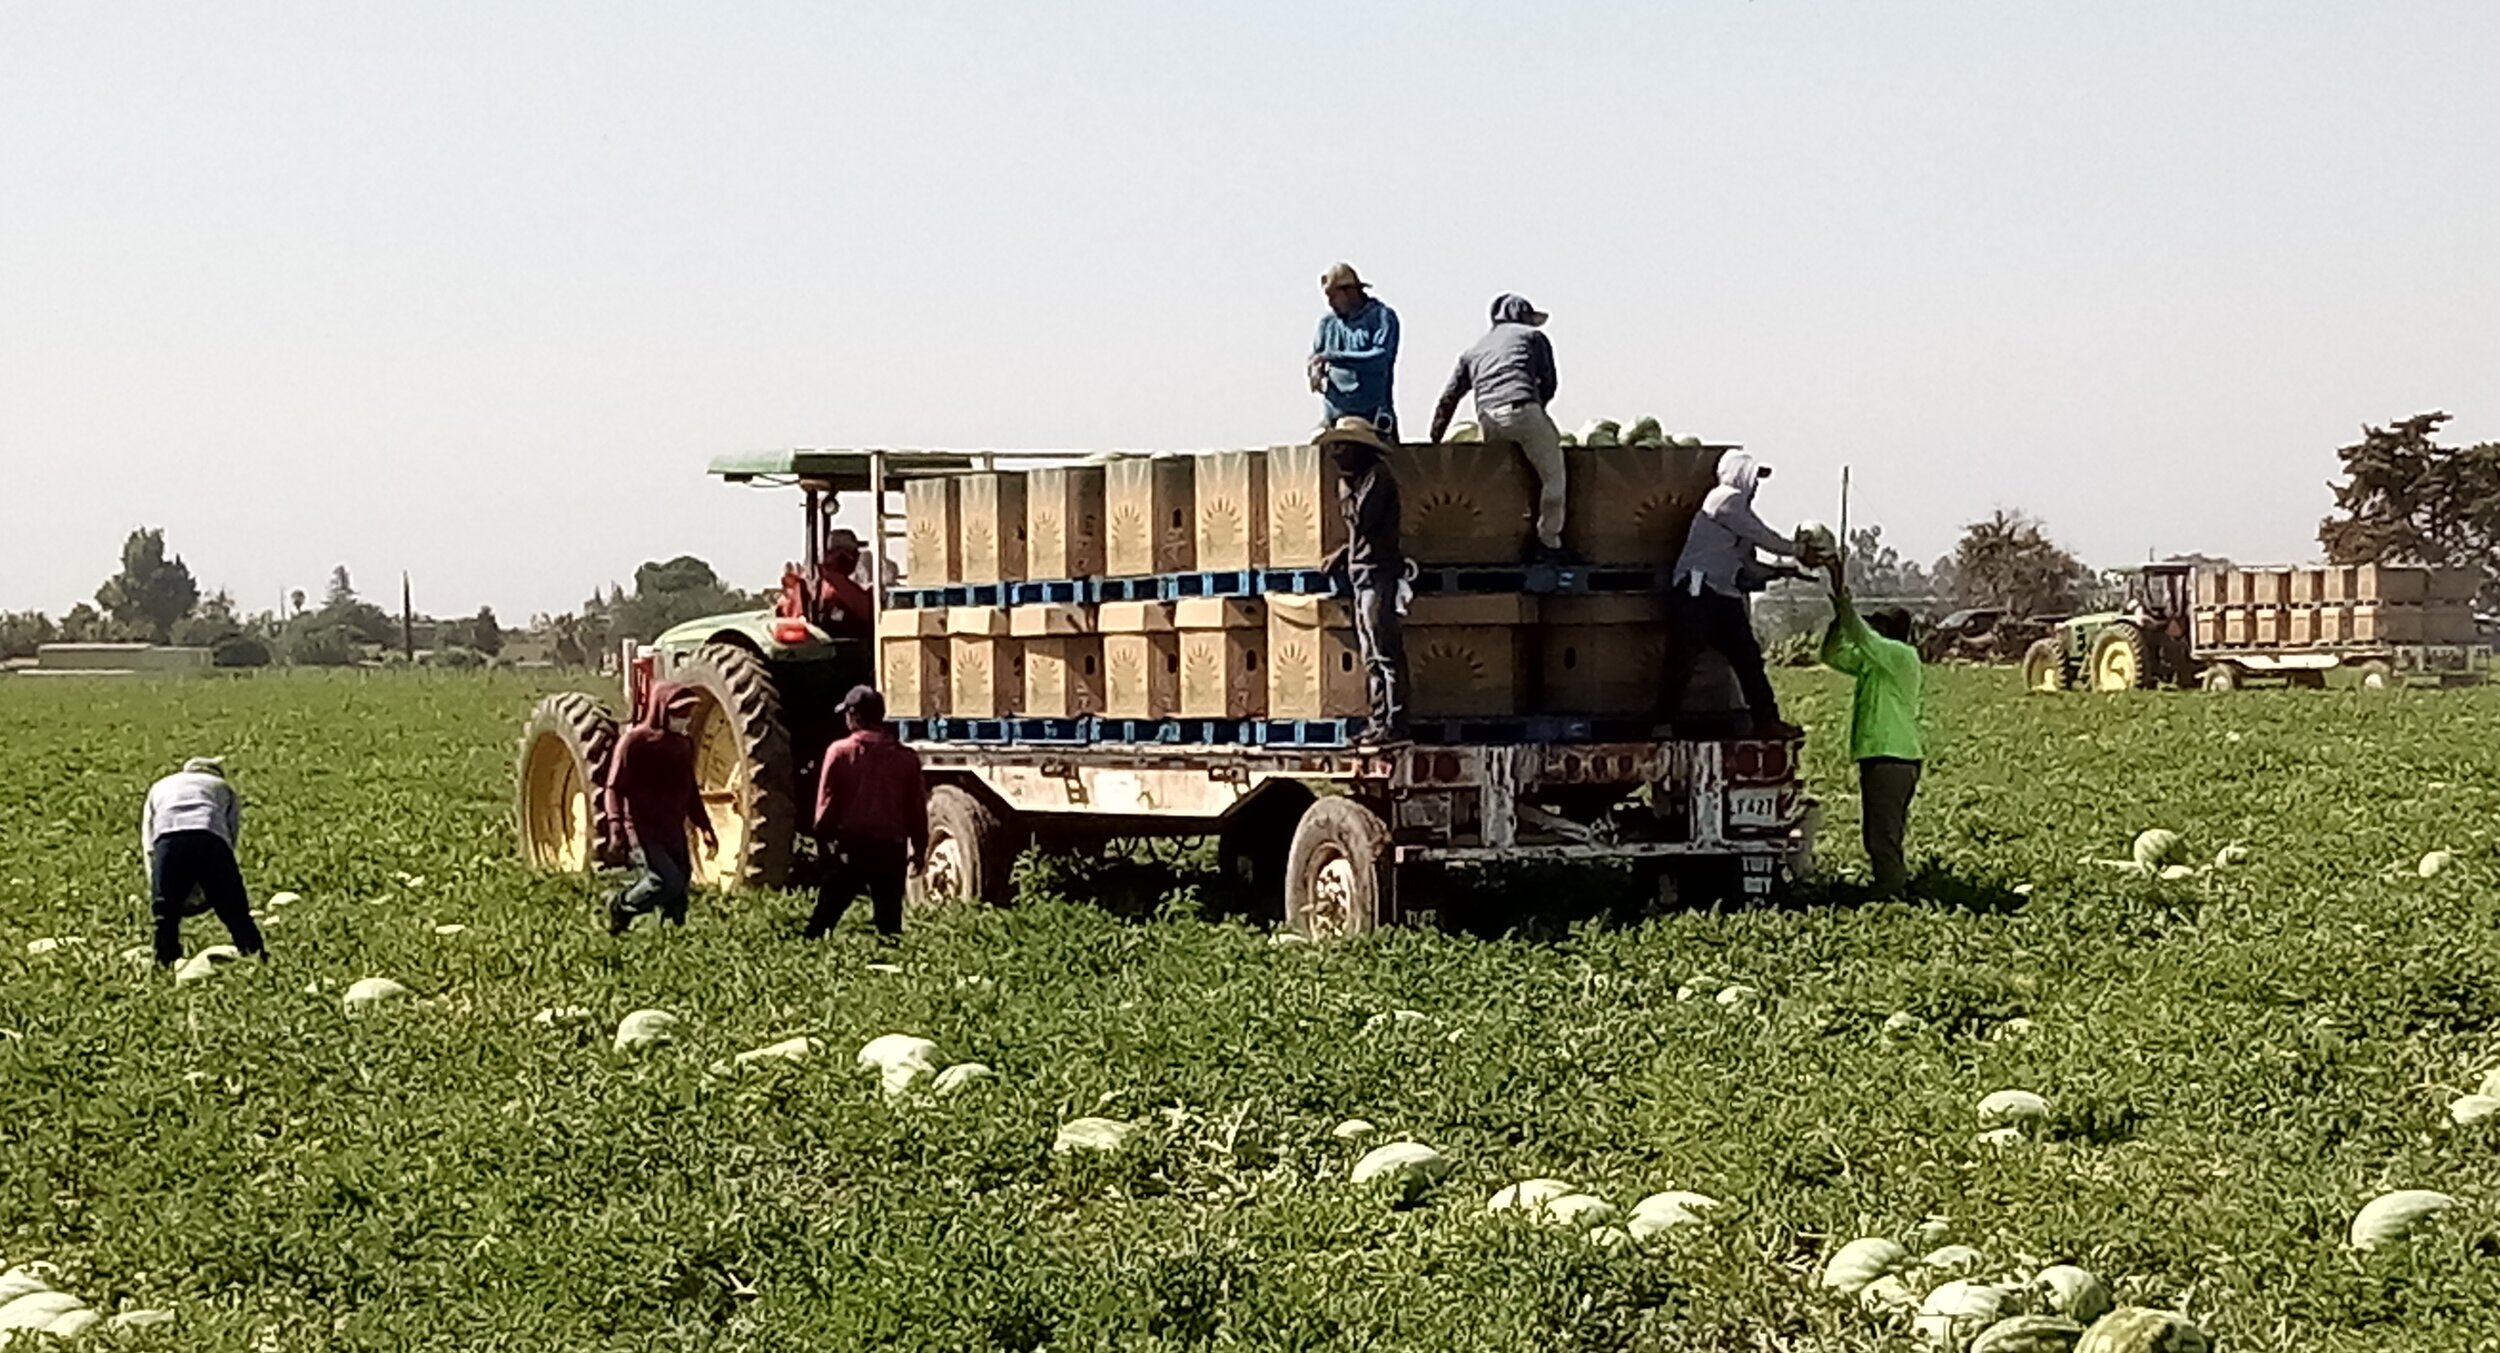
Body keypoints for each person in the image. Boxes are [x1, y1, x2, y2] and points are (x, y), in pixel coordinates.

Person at [1666, 451, 1813, 738]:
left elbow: (1749, 566)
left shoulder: (1741, 516)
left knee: (1748, 657)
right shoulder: (1724, 499)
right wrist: (1798, 551)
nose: (1755, 485)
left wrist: (1785, 572)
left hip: (1722, 592)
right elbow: (1765, 537)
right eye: (1752, 476)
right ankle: (1663, 723)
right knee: (1682, 657)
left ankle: (1766, 720)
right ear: (1738, 473)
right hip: (1697, 588)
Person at [1429, 293, 1566, 563]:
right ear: (1525, 317)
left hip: (1488, 418)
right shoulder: (1532, 337)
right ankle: (1548, 542)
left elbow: (1449, 398)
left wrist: (1434, 441)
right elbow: (1549, 382)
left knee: (1506, 482)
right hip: (1522, 408)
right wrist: (1538, 412)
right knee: (1554, 479)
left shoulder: (1474, 350)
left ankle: (1502, 541)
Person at [1821, 560, 1925, 897]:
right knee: (1879, 830)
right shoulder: (1875, 662)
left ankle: (1892, 891)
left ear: (1891, 630)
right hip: (1881, 756)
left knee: (1883, 832)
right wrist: (1839, 620)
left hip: (1893, 755)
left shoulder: (1899, 655)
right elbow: (1832, 654)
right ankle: (1890, 884)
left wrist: (1842, 598)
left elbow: (1861, 634)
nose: (1874, 630)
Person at [807, 686, 929, 940]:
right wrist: (919, 849)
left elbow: (825, 807)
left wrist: (823, 850)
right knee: (889, 928)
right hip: (891, 851)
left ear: (854, 716)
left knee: (821, 923)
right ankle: (891, 973)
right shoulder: (906, 758)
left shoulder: (839, 752)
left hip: (851, 851)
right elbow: (916, 809)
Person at [1318, 416, 1408, 745]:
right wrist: (1342, 554)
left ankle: (1394, 724)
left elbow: (1362, 519)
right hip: (1363, 573)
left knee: (1385, 653)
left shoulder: (1375, 478)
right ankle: (1377, 720)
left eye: (1340, 446)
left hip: (1378, 573)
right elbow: (1359, 532)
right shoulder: (1362, 480)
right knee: (1370, 655)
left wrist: (1344, 489)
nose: (1335, 454)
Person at [604, 683, 717, 933]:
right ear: (660, 710)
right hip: (644, 830)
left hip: (672, 828)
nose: (683, 719)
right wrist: (615, 827)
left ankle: (672, 934)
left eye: (687, 713)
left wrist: (704, 826)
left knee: (681, 882)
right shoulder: (635, 742)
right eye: (678, 712)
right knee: (665, 881)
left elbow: (690, 790)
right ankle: (622, 905)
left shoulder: (683, 744)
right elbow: (614, 787)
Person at [141, 756, 264, 967]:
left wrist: (157, 883)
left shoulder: (160, 786)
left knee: (165, 914)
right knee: (234, 908)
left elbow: (148, 839)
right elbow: (230, 833)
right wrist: (217, 878)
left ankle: (165, 962)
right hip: (210, 837)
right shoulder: (222, 787)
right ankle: (254, 954)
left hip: (168, 839)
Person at [1309, 263, 1401, 437]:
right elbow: (1316, 356)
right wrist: (1315, 370)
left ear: (1350, 291)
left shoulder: (1382, 317)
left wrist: (1334, 357)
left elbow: (1380, 358)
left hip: (1373, 420)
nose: (1329, 303)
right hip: (1335, 420)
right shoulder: (1327, 324)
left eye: (1333, 296)